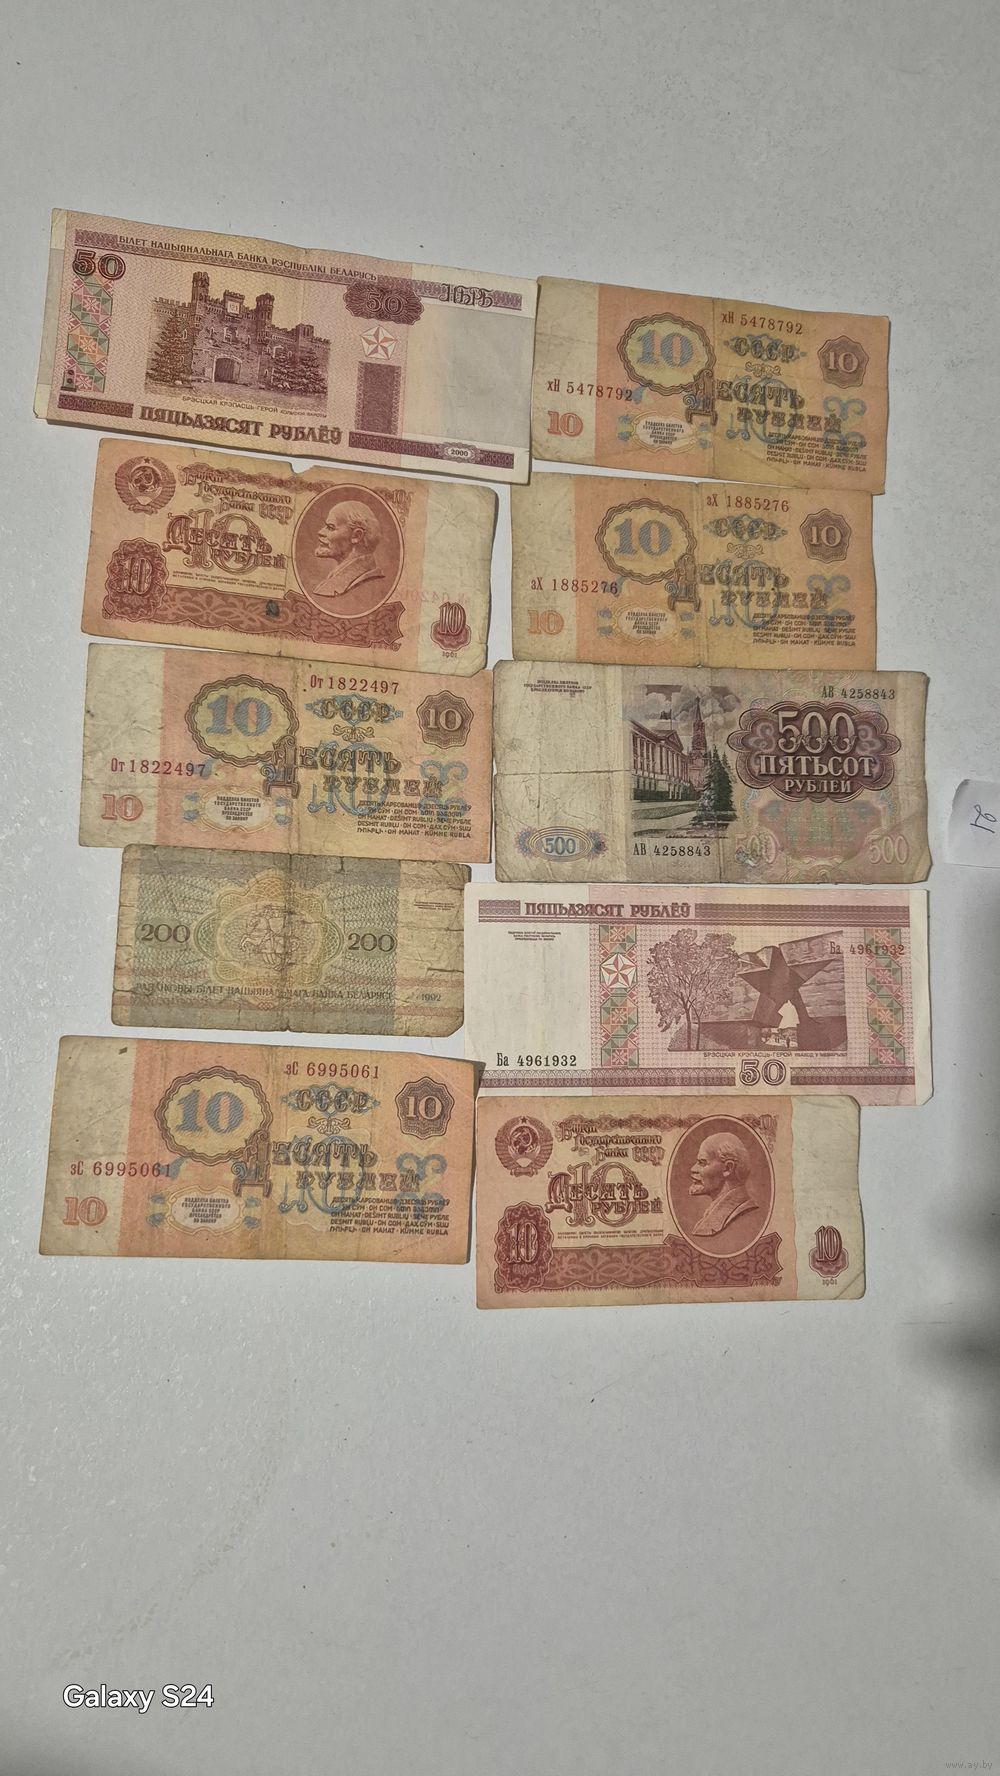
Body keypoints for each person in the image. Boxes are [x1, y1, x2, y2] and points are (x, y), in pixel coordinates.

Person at [310, 500, 387, 607]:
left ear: (356, 536)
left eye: (331, 527)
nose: (321, 532)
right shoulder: (336, 577)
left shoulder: (366, 582)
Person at [688, 1131, 757, 1238]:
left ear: (727, 1168)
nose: (693, 1169)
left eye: (702, 1162)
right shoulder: (717, 1213)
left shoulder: (742, 1214)